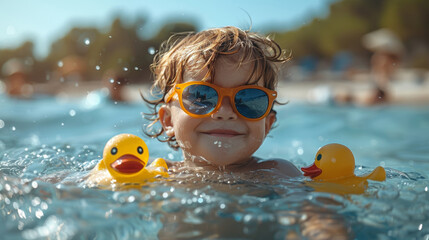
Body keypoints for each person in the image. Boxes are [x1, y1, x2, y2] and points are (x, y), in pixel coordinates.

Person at [143, 27, 301, 177]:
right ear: (168, 120)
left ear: (266, 124)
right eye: (202, 96)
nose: (225, 112)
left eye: (247, 98)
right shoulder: (155, 172)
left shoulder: (278, 174)